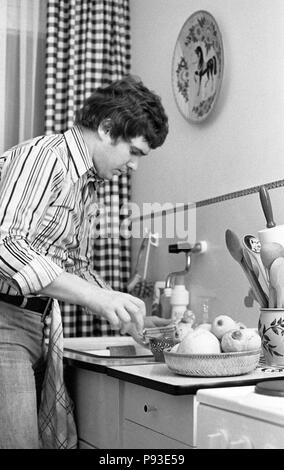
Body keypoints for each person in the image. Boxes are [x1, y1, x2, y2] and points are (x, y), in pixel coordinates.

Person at [0, 75, 169, 449]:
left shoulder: (86, 184)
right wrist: (98, 300)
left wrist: (125, 313)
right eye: (135, 152)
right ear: (108, 129)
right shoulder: (46, 157)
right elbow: (5, 244)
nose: (135, 166)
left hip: (36, 322)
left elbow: (73, 265)